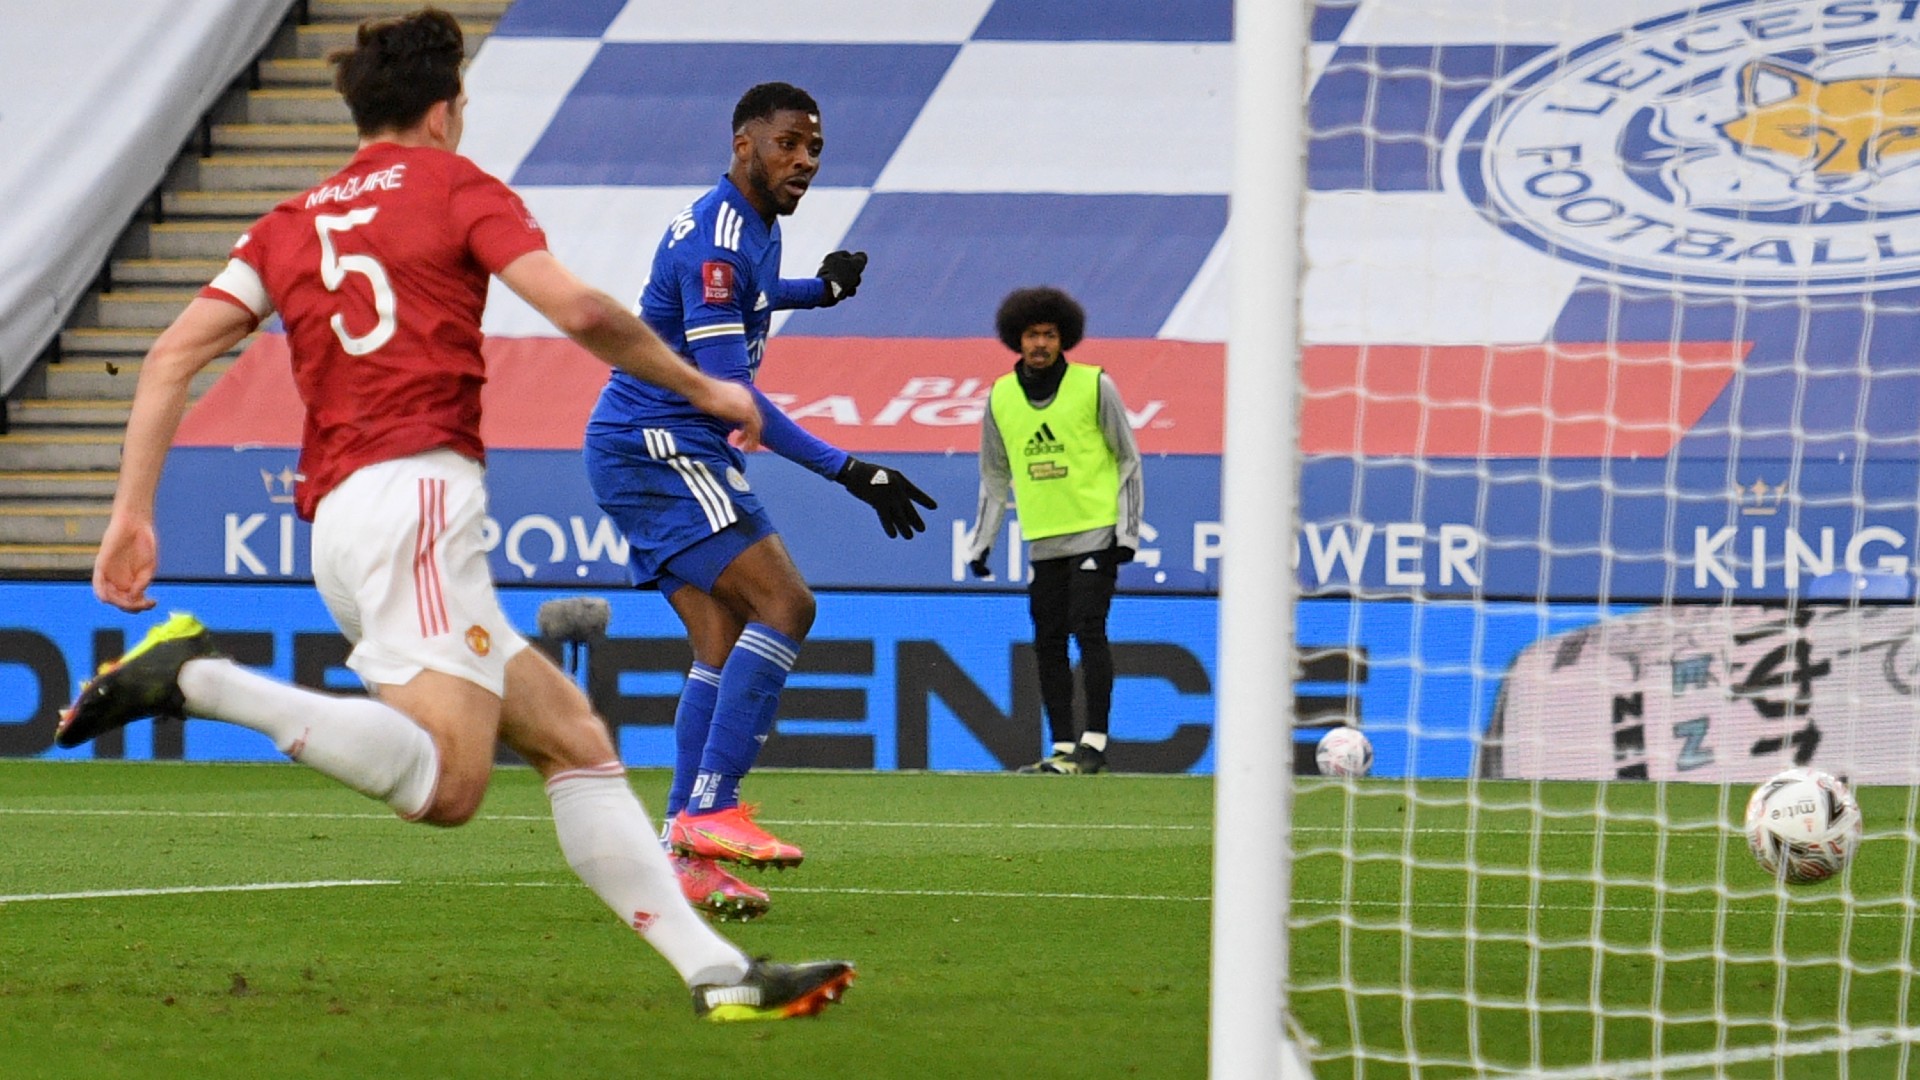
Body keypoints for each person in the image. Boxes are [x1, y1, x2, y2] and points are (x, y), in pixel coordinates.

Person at [58, 10, 851, 1022]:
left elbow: (169, 356)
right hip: (418, 503)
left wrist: (132, 513)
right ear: (445, 111)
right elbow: (582, 313)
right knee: (449, 785)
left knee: (573, 739)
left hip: (343, 521)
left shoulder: (291, 221)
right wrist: (703, 388)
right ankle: (201, 680)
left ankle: (717, 975)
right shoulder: (457, 187)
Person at [583, 81, 936, 921]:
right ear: (744, 143)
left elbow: (746, 295)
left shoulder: (749, 229)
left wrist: (820, 291)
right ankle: (712, 811)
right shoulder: (719, 241)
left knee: (721, 634)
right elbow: (733, 399)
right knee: (785, 602)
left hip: (648, 444)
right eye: (788, 144)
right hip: (658, 445)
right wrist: (853, 471)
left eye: (814, 148)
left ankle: (683, 851)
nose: (804, 161)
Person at [963, 287, 1143, 775]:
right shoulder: (1000, 396)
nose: (1040, 343)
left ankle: (1094, 742)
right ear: (1015, 339)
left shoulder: (1094, 385)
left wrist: (1126, 533)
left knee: (1089, 628)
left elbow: (1127, 457)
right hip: (1043, 538)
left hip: (1095, 530)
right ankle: (1063, 746)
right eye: (1031, 335)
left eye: (1049, 334)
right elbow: (994, 475)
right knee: (1047, 640)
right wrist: (983, 544)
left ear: (1064, 339)